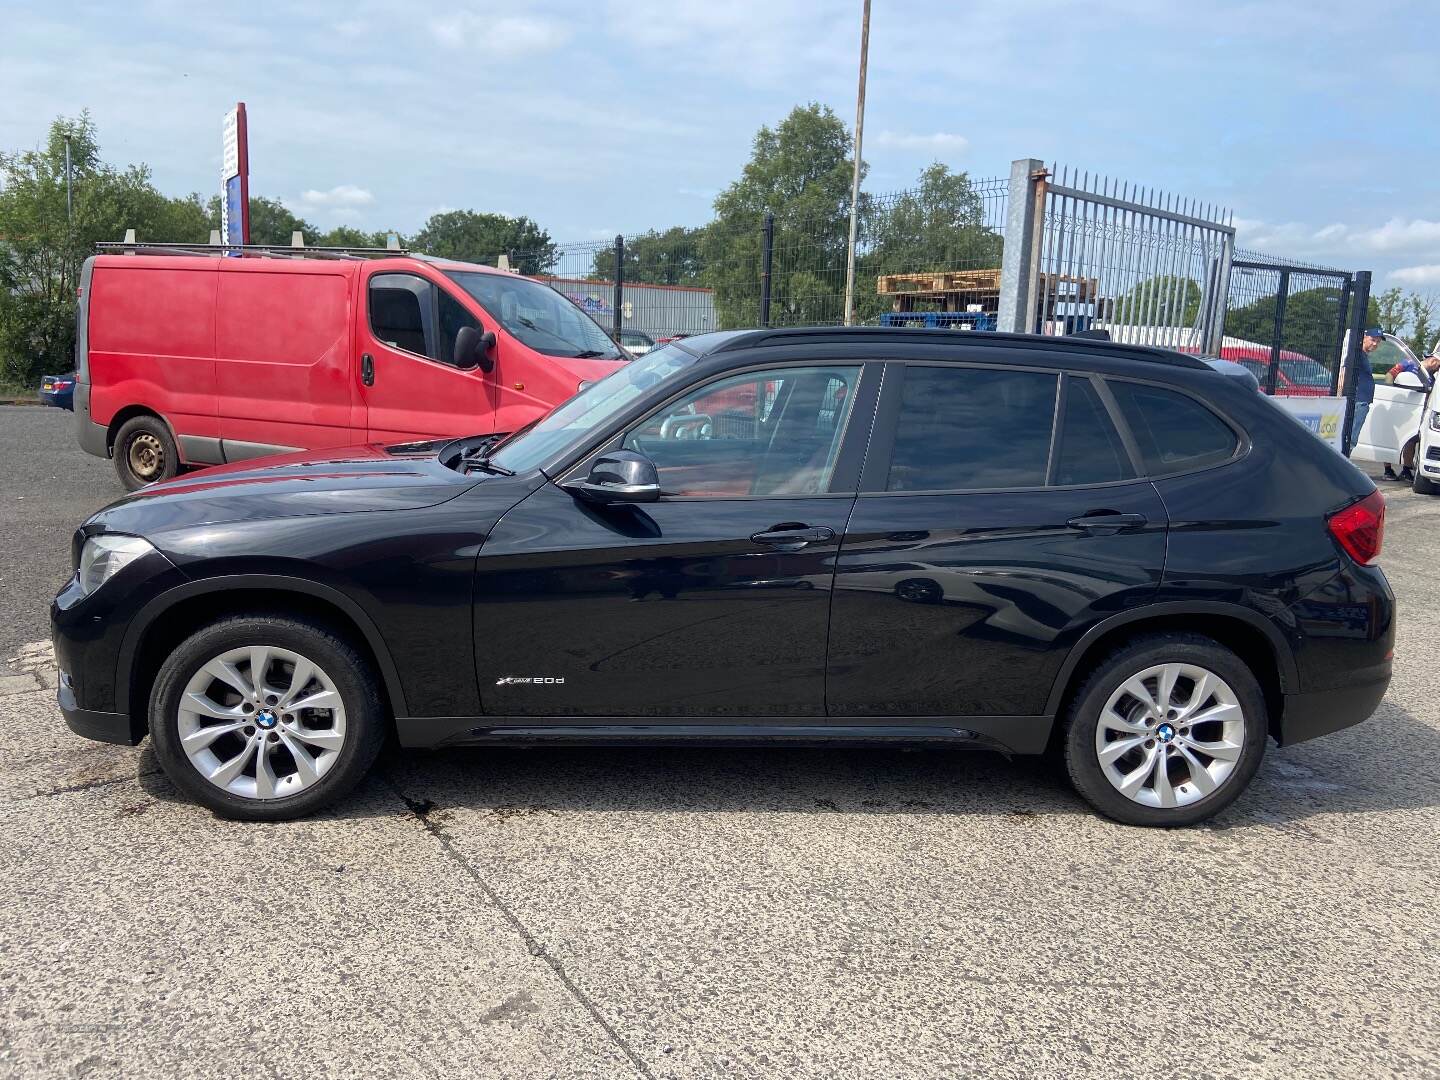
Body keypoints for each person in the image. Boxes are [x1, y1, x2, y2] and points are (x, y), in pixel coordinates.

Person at [1381, 341, 1440, 483]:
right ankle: (1387, 470)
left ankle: (1406, 470)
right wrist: (1391, 393)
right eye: (1439, 365)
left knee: (1411, 440)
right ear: (1433, 361)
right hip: (1397, 406)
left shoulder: (1431, 378)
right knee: (1389, 436)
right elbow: (1390, 375)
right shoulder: (1408, 363)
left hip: (1414, 413)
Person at [1339, 328, 1380, 460]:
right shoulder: (1357, 354)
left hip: (1361, 402)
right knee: (1351, 437)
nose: (1375, 344)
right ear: (1364, 337)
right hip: (1358, 401)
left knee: (1351, 436)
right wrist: (1340, 394)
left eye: (1378, 342)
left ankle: (1343, 461)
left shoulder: (1363, 356)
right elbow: (1344, 373)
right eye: (1373, 340)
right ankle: (1343, 463)